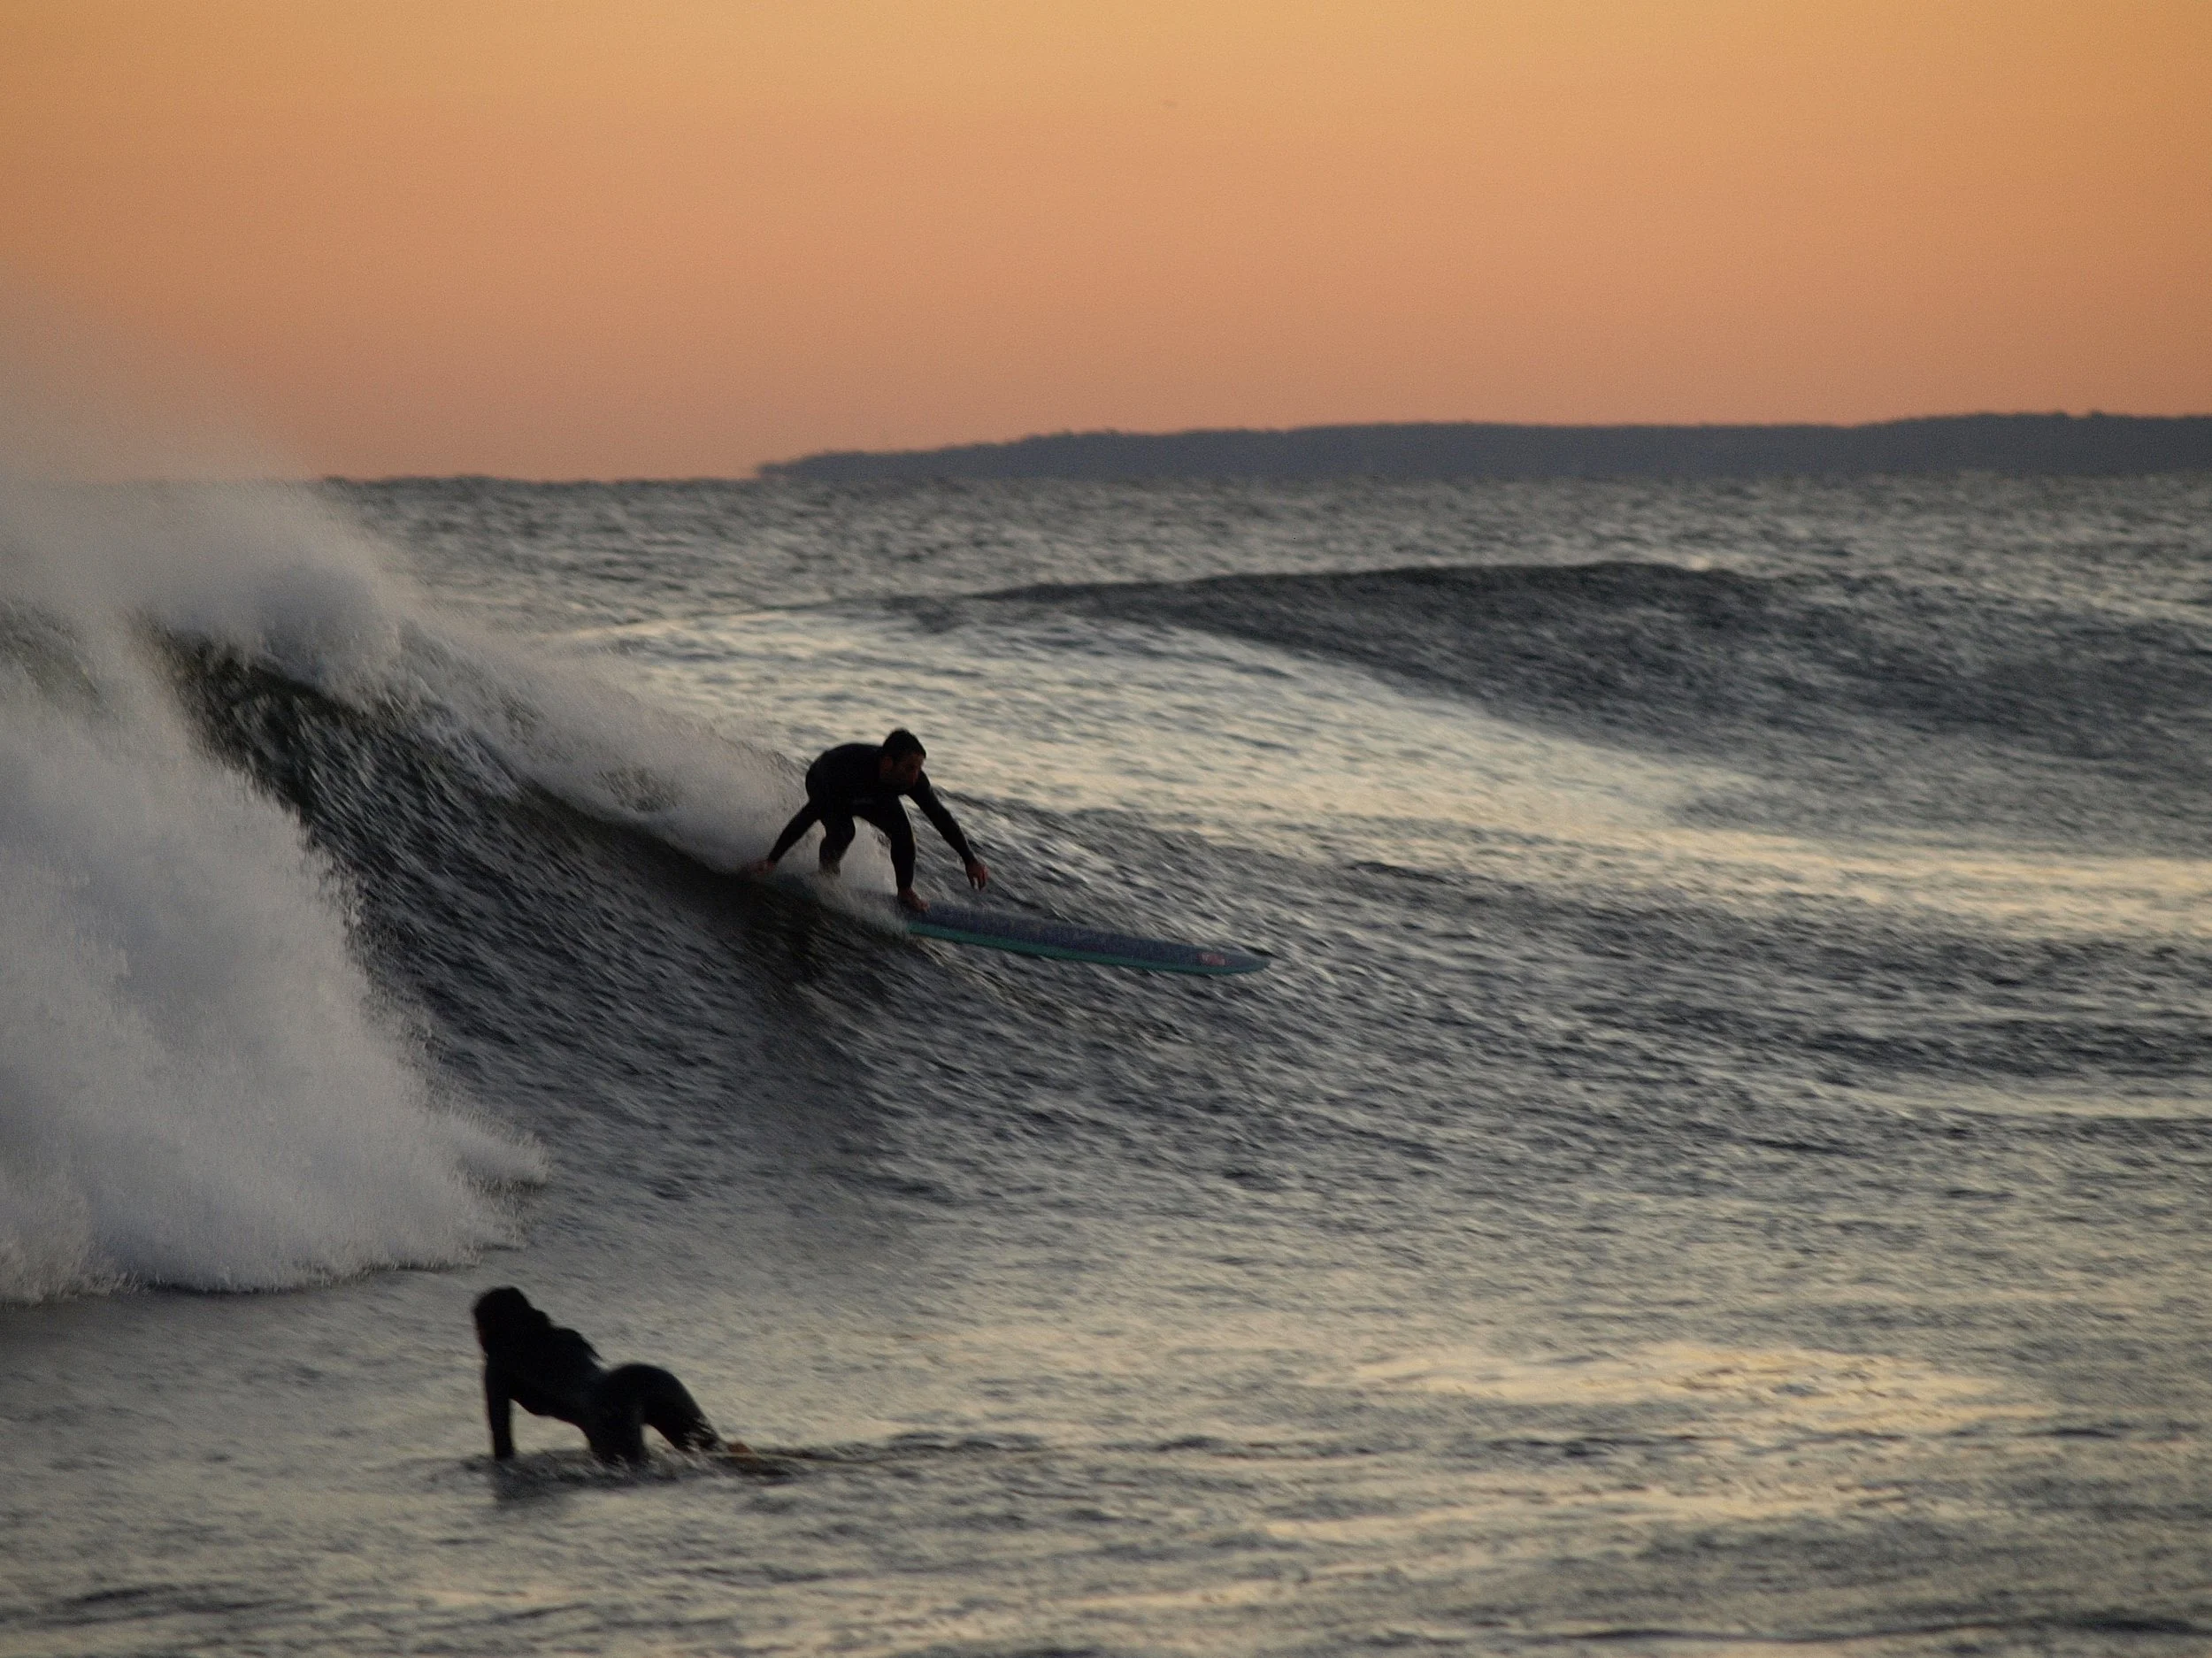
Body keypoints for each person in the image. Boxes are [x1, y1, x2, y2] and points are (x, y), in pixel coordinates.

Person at [472, 1286, 743, 1465]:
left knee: (632, 1482)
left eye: (479, 1328)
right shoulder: (565, 1337)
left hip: (609, 1406)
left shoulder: (499, 1364)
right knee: (721, 1460)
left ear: (490, 1329)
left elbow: (503, 1450)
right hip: (647, 1376)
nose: (478, 1337)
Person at [746, 727, 988, 914]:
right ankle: (826, 876)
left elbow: (940, 817)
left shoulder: (910, 779)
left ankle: (904, 891)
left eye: (919, 768)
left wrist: (970, 860)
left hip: (874, 794)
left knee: (903, 833)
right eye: (910, 768)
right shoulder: (848, 771)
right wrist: (772, 860)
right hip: (824, 780)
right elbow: (809, 814)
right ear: (887, 763)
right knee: (843, 831)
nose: (915, 776)